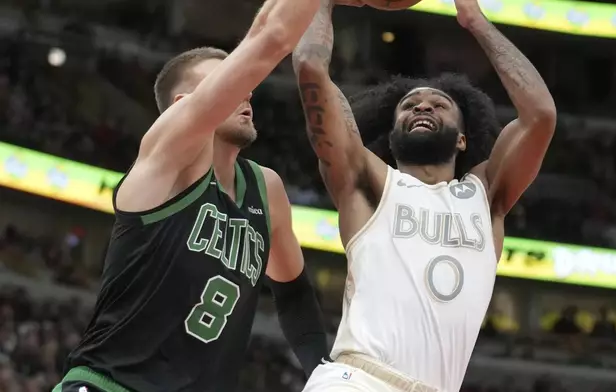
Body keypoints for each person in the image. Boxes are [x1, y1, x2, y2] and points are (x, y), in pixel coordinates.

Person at [53, 0, 329, 391]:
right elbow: (271, 37)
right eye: (227, 84)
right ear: (181, 109)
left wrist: (322, 370)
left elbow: (295, 293)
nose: (247, 91)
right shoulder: (167, 164)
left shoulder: (266, 190)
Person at [292, 0, 556, 390]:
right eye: (409, 105)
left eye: (440, 104)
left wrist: (475, 21)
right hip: (359, 380)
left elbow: (541, 115)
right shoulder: (368, 182)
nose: (423, 106)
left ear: (463, 138)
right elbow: (311, 69)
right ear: (393, 137)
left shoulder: (486, 195)